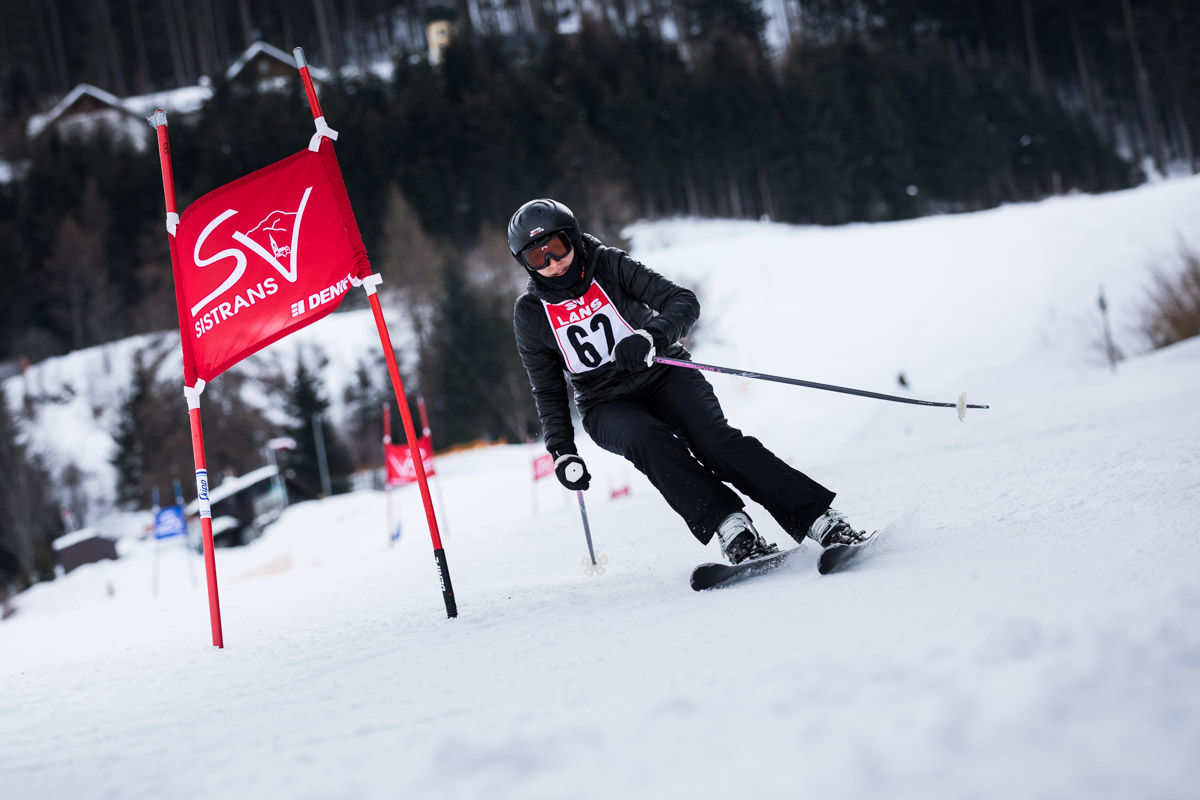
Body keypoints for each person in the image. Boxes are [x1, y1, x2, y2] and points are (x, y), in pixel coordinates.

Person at [508, 198, 868, 565]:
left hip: (663, 372)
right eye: (538, 257)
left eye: (557, 248)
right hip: (605, 402)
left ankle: (819, 518)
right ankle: (732, 527)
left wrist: (650, 336)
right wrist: (562, 451)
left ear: (573, 238)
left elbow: (682, 301)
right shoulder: (530, 313)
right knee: (646, 439)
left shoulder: (610, 265)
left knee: (714, 441)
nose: (552, 263)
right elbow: (547, 389)